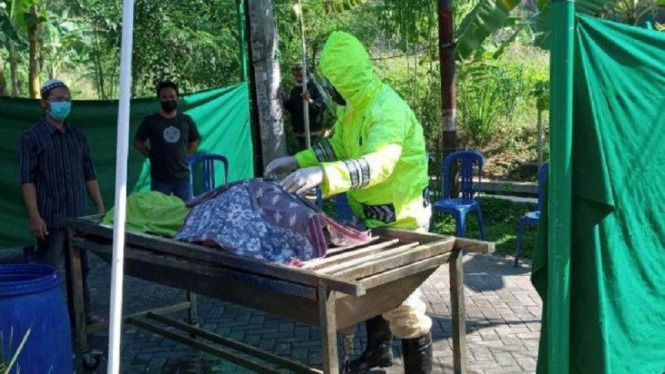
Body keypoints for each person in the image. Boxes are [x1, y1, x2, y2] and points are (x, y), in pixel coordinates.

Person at [266, 32, 433, 373]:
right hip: (372, 220)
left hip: (404, 219)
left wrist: (322, 176)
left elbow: (379, 164)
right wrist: (298, 162)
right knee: (373, 291)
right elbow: (338, 149)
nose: (329, 91)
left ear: (347, 78)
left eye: (333, 82)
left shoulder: (387, 109)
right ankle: (378, 353)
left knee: (404, 305)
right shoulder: (352, 109)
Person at [18, 79, 105, 324]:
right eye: (58, 99)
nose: (63, 103)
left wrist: (99, 209)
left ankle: (82, 316)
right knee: (48, 270)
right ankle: (44, 320)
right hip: (50, 218)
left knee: (81, 270)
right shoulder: (32, 137)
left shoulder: (77, 136)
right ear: (44, 103)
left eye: (67, 98)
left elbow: (90, 174)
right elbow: (27, 180)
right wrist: (35, 215)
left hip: (79, 217)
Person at [134, 80, 201, 201]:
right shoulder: (150, 120)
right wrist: (150, 155)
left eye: (172, 96)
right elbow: (138, 142)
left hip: (182, 177)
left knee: (184, 211)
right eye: (164, 97)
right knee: (160, 213)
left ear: (177, 98)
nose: (168, 100)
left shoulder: (187, 120)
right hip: (159, 178)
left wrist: (185, 155)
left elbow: (194, 141)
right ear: (159, 99)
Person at [282, 63, 326, 150]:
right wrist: (285, 102)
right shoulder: (294, 90)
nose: (298, 78)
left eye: (300, 75)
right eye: (296, 75)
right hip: (299, 133)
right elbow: (293, 109)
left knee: (314, 158)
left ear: (307, 74)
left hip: (313, 132)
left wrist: (309, 100)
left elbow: (321, 106)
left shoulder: (315, 88)